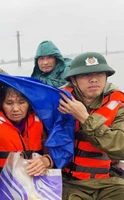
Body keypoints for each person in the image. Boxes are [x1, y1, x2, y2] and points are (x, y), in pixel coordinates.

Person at [0, 85, 54, 200]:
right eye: (9, 103)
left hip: (33, 190)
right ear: (1, 105)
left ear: (29, 104)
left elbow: (56, 155)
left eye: (22, 102)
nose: (16, 109)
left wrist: (47, 160)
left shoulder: (40, 122)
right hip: (0, 192)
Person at [58, 52, 124, 199]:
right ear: (73, 80)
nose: (94, 79)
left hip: (109, 181)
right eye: (85, 75)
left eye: (100, 74)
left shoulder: (118, 105)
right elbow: (25, 94)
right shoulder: (58, 101)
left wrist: (85, 119)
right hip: (70, 182)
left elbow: (122, 147)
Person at [0, 40, 71, 88]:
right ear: (37, 61)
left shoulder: (69, 71)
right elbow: (17, 84)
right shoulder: (36, 78)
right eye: (41, 59)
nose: (45, 62)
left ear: (57, 59)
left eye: (49, 57)